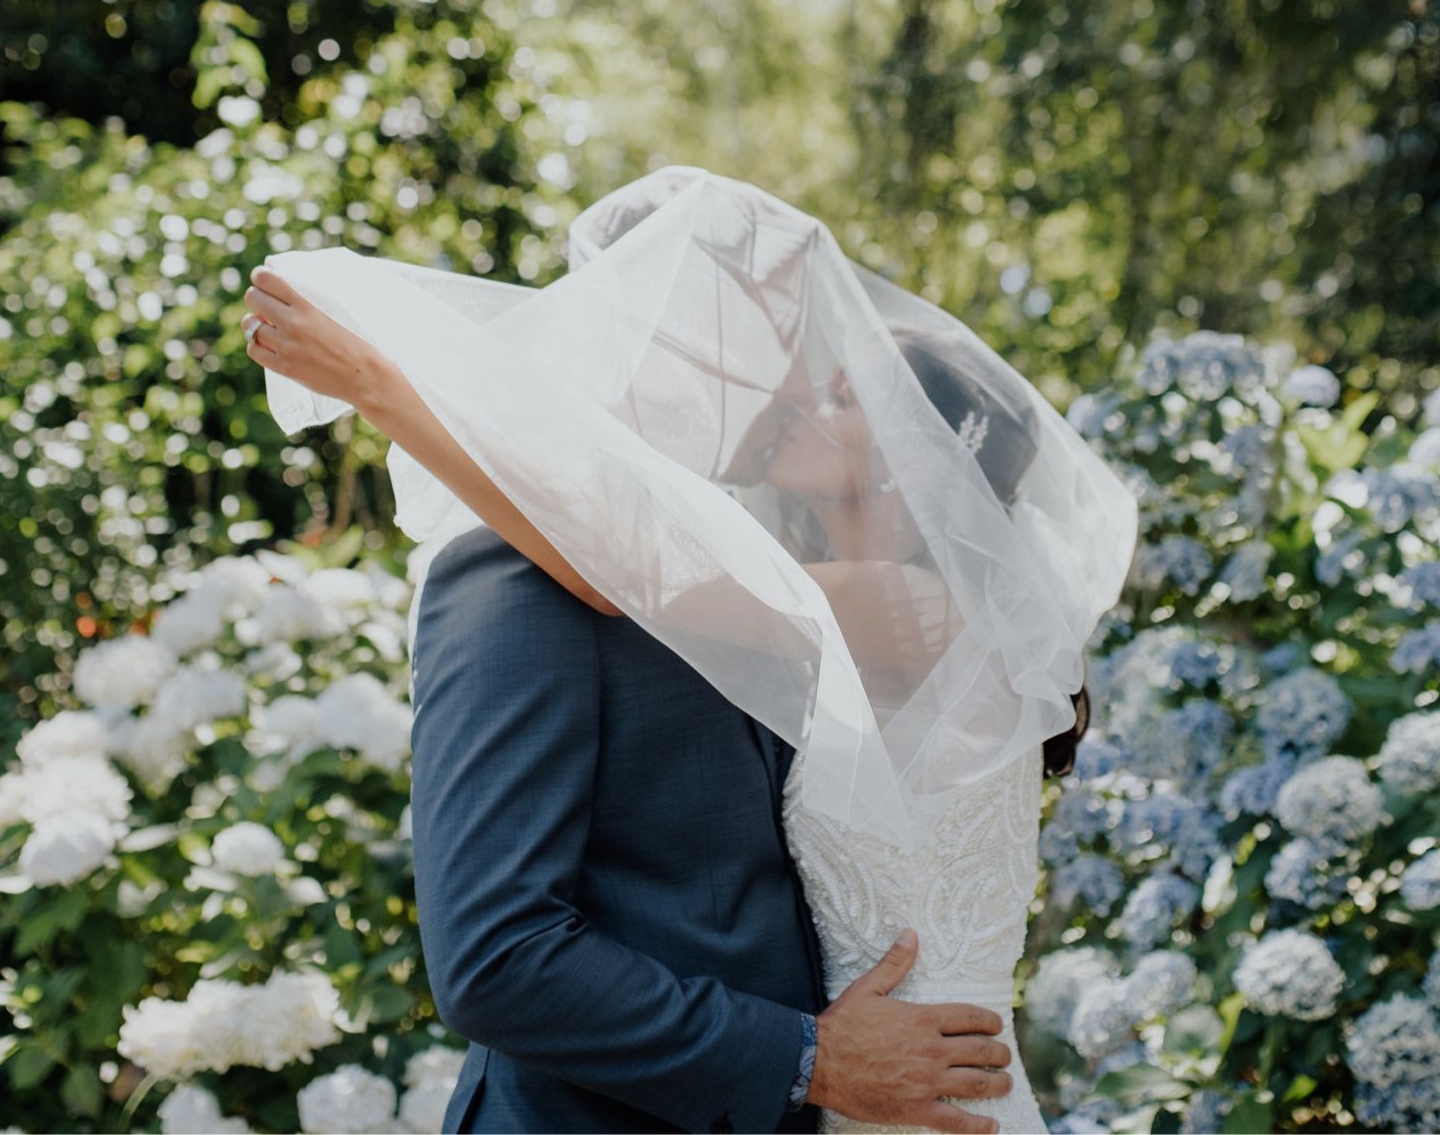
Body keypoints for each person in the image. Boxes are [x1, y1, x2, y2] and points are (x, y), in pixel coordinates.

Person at [243, 168, 1139, 1133]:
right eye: (775, 336)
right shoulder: (515, 580)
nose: (793, 379)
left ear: (910, 461)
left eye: (833, 385)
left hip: (922, 1095)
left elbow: (618, 577)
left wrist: (388, 387)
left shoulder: (900, 608)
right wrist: (808, 1063)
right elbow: (496, 957)